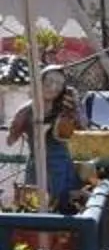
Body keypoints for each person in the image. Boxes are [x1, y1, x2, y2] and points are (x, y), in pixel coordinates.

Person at [4, 75, 83, 209]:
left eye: (59, 84)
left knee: (64, 204)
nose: (54, 87)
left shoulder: (64, 108)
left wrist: (74, 110)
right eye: (49, 82)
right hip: (37, 164)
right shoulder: (27, 110)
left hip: (61, 164)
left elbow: (82, 126)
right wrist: (18, 127)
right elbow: (10, 140)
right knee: (34, 205)